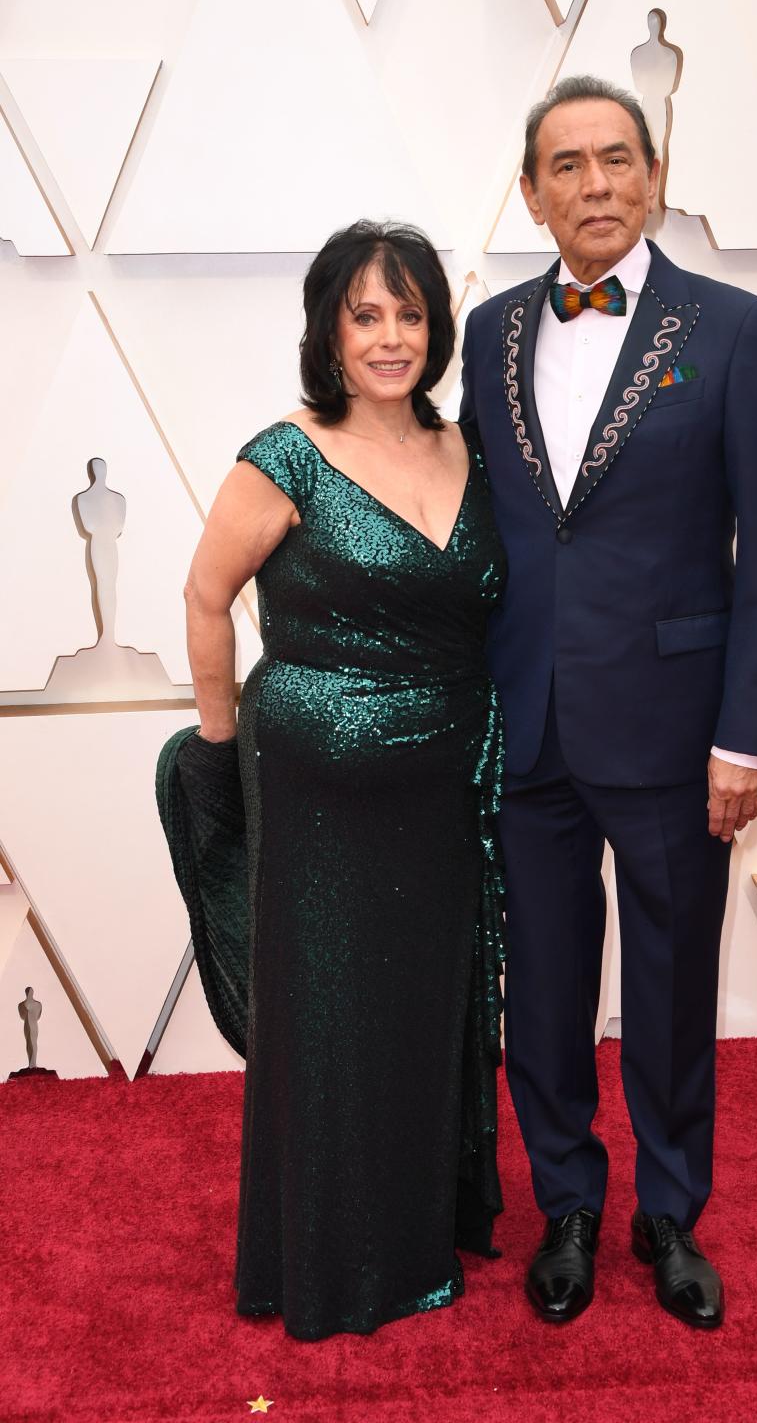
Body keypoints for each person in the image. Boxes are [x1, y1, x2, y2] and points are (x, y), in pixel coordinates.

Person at [460, 76, 757, 1328]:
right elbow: (482, 531)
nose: (594, 185)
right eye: (567, 165)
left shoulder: (738, 329)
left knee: (671, 983)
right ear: (531, 191)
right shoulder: (490, 332)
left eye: (616, 160)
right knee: (541, 988)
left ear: (655, 176)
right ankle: (564, 1203)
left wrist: (744, 735)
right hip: (529, 719)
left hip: (675, 730)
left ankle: (669, 1214)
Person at [171, 220, 507, 1341]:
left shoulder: (467, 450)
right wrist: (222, 747)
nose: (391, 336)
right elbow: (206, 595)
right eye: (366, 314)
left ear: (436, 329)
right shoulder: (287, 453)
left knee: (421, 1009)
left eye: (410, 313)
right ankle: (329, 1258)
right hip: (318, 789)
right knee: (328, 1021)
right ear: (327, 328)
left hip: (446, 783)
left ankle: (416, 1233)